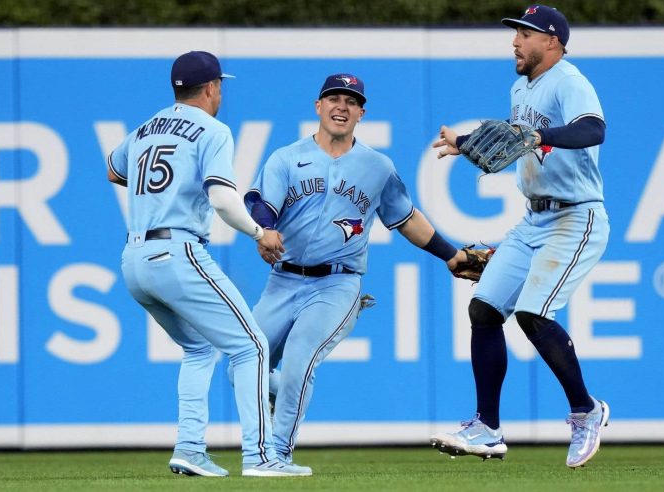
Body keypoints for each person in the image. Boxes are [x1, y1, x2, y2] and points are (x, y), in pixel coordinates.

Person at [242, 73, 468, 472]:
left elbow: (406, 218)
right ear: (318, 106)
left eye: (350, 101)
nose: (341, 106)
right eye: (333, 98)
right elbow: (261, 202)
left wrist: (450, 255)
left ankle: (276, 455)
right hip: (283, 280)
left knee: (298, 361)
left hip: (337, 282)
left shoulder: (376, 166)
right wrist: (266, 231)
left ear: (362, 113)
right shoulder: (285, 158)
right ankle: (281, 392)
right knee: (243, 363)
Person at [106, 50, 310, 477]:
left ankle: (190, 448)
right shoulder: (212, 129)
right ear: (213, 87)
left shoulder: (145, 129)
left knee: (200, 348)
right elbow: (221, 198)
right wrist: (260, 232)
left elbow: (114, 170)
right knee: (251, 346)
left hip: (134, 259)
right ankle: (261, 457)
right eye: (221, 86)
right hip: (177, 251)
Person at [429, 5, 610, 468]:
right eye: (515, 33)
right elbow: (514, 140)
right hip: (533, 219)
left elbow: (594, 128)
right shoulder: (519, 86)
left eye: (525, 33)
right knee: (484, 308)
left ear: (552, 41)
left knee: (533, 314)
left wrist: (540, 135)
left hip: (575, 216)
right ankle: (487, 428)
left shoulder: (569, 79)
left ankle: (585, 411)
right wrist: (466, 143)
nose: (515, 41)